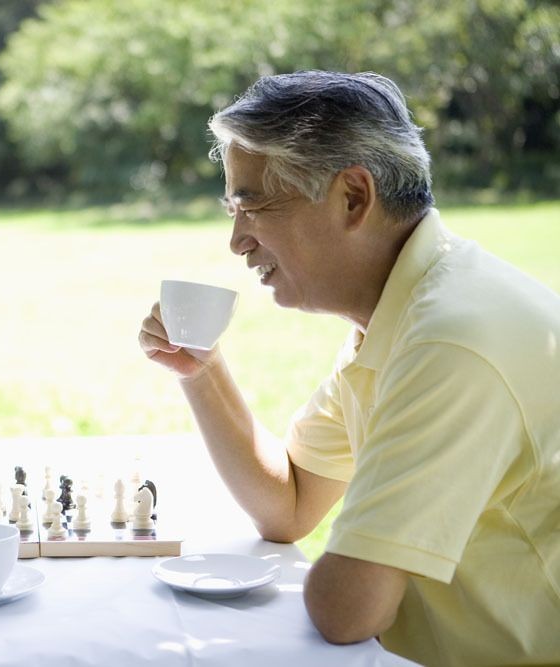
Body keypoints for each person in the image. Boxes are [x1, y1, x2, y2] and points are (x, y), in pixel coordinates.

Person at [138, 71, 560, 667]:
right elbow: (291, 504)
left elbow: (346, 610)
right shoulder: (402, 308)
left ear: (354, 198)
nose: (236, 240)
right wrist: (201, 373)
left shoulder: (449, 340)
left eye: (252, 203)